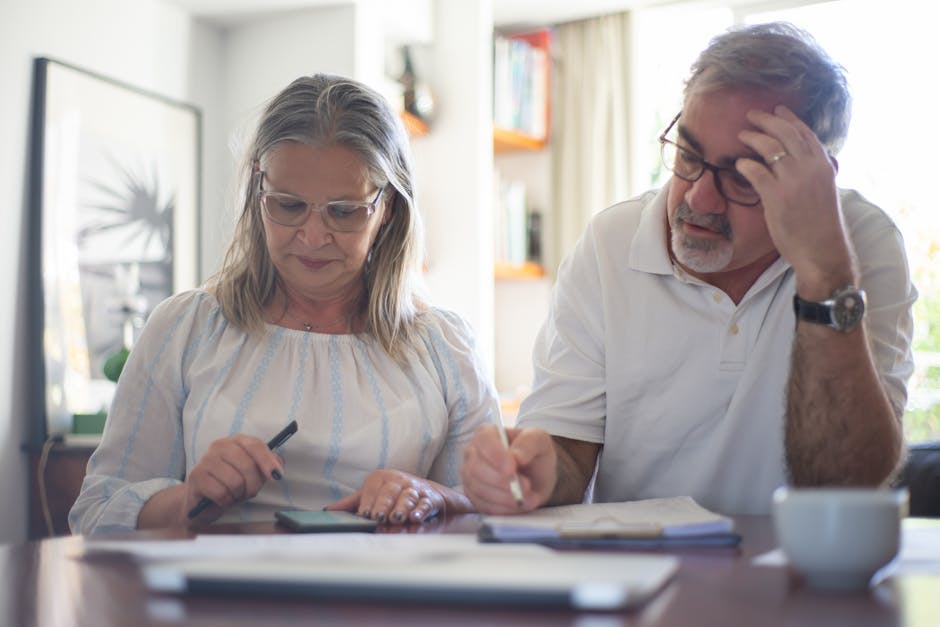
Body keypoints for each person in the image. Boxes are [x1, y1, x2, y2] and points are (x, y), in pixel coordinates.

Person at [461, 22, 916, 516]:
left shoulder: (860, 243)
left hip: (800, 571)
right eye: (688, 155)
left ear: (813, 178)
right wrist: (539, 472)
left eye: (743, 175)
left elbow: (844, 481)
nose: (699, 197)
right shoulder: (610, 243)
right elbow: (568, 451)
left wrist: (825, 274)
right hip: (639, 571)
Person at [70, 74, 495, 534]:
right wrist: (190, 499)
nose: (312, 238)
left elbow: (495, 514)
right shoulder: (184, 329)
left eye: (344, 211)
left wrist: (436, 497)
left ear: (387, 207)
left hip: (385, 603)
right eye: (289, 206)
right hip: (221, 601)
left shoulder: (445, 348)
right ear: (258, 191)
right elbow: (95, 512)